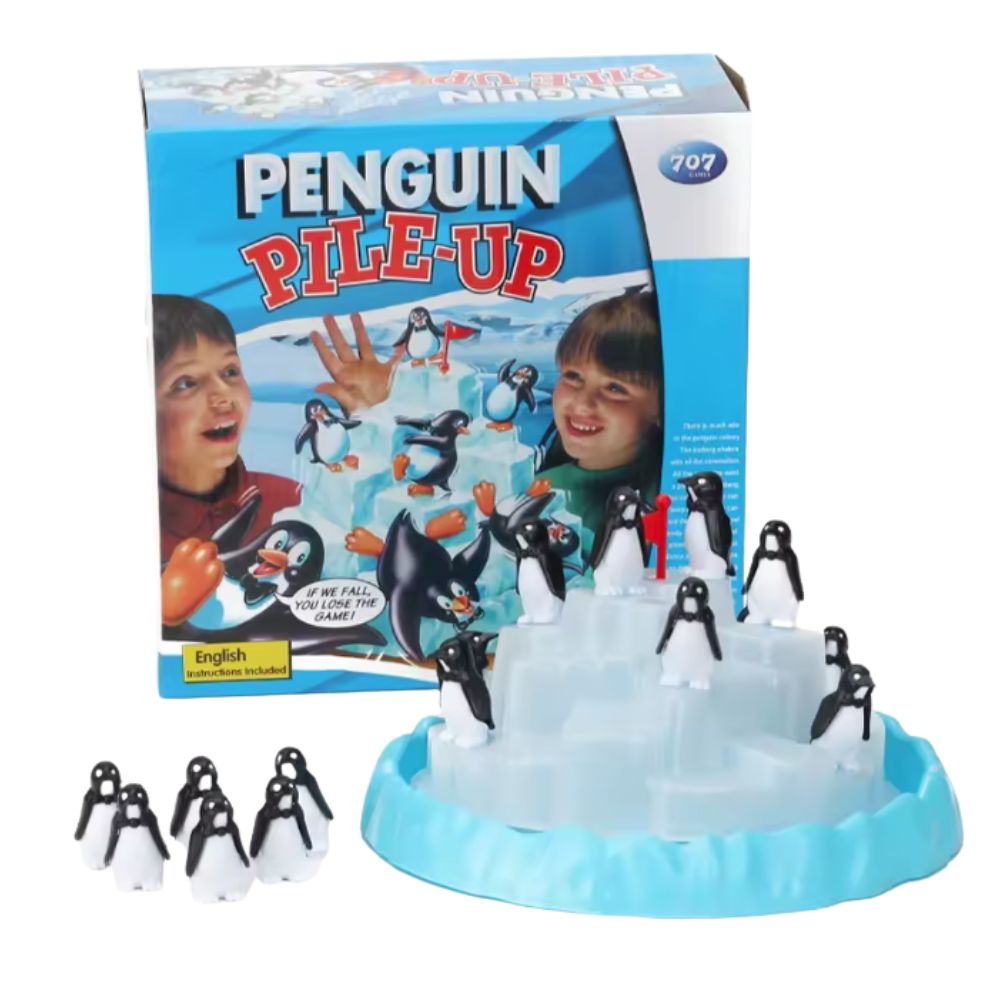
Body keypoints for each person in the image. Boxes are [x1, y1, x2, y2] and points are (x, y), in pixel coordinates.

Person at [155, 295, 402, 624]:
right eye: (186, 383)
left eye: (230, 371)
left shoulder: (290, 500)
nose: (223, 396)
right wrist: (163, 612)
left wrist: (374, 418)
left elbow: (385, 533)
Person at [538, 289, 664, 539]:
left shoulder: (666, 498)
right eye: (573, 376)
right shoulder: (540, 487)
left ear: (661, 407)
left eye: (615, 388)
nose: (582, 404)